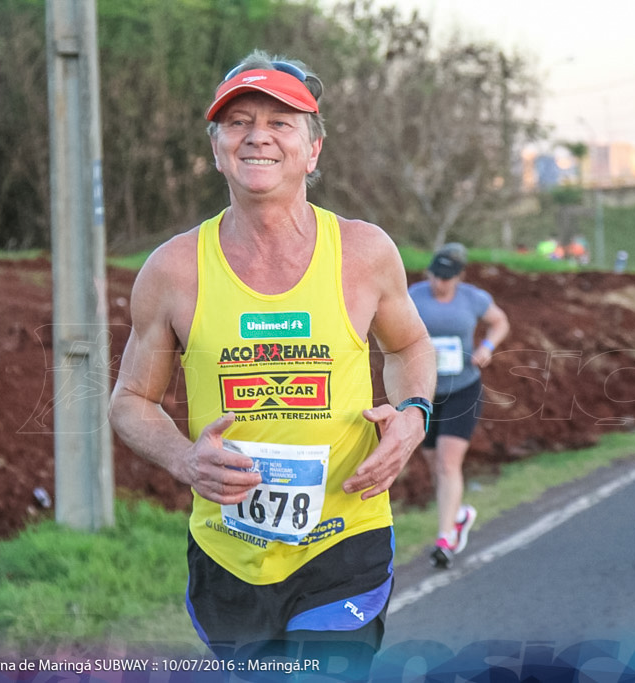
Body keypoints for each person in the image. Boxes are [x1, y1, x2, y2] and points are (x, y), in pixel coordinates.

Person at [108, 50, 436, 675]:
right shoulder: (173, 269)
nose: (258, 134)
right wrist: (183, 458)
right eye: (237, 122)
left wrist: (414, 414)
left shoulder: (364, 253)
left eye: (281, 121)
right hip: (228, 556)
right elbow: (130, 401)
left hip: (344, 540)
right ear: (216, 149)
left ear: (313, 149)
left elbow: (410, 347)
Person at [408, 243, 509, 569]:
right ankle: (459, 514)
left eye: (447, 278)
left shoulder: (472, 298)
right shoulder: (413, 295)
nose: (440, 283)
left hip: (463, 389)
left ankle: (444, 538)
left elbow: (500, 322)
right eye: (436, 276)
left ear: (459, 278)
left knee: (449, 464)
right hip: (425, 392)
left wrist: (487, 347)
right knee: (434, 461)